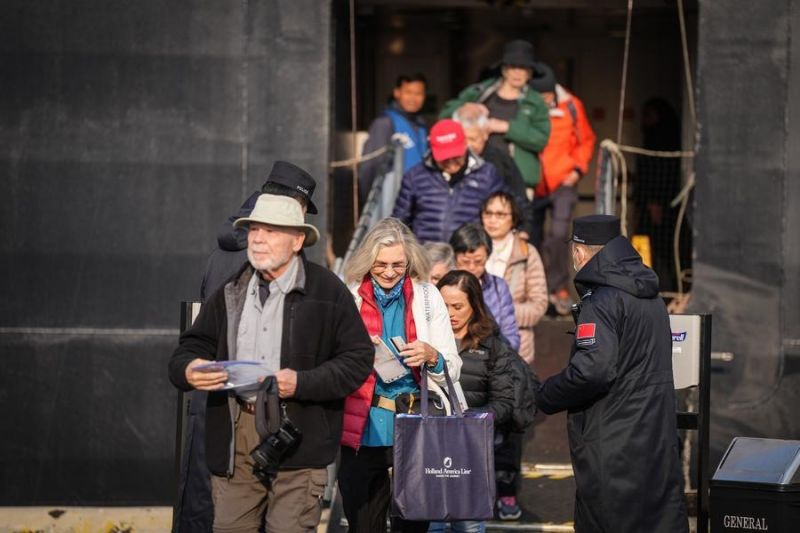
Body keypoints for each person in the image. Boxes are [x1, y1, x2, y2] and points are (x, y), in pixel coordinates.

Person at [168, 193, 374, 533]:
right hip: (237, 439)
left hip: (300, 438)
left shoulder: (328, 291)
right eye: (253, 230)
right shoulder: (231, 289)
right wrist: (189, 369)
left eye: (271, 230)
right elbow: (191, 346)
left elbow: (358, 359)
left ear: (297, 240)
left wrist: (302, 383)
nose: (258, 238)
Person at [535, 214, 688, 533]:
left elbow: (592, 371)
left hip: (613, 443)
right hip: (656, 439)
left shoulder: (601, 301)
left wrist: (545, 395)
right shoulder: (652, 298)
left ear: (578, 251)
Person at [338, 217, 462, 533]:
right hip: (363, 423)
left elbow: (452, 366)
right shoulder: (348, 296)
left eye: (398, 264)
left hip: (417, 423)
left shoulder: (428, 296)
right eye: (381, 264)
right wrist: (355, 353)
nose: (390, 272)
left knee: (413, 525)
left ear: (409, 262)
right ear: (367, 262)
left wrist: (431, 356)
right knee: (362, 524)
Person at [429, 270, 516, 533]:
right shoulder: (426, 340)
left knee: (468, 524)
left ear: (475, 306)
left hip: (470, 450)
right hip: (430, 446)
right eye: (444, 305)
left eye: (458, 307)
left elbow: (504, 402)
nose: (450, 313)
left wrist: (469, 422)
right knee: (431, 523)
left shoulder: (492, 346)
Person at [439, 40, 550, 195]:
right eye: (513, 67)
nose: (517, 73)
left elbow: (541, 139)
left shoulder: (536, 102)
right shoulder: (480, 92)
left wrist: (507, 127)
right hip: (475, 174)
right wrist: (465, 109)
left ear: (530, 73)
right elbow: (444, 117)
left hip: (517, 179)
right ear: (504, 70)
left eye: (523, 68)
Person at [529, 62, 597, 315]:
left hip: (563, 181)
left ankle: (559, 288)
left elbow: (586, 140)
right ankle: (536, 289)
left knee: (558, 234)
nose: (544, 101)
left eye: (546, 96)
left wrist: (577, 170)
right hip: (534, 184)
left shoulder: (571, 106)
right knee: (531, 237)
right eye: (539, 97)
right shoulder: (526, 106)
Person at [200, 161, 319, 302]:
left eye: (270, 231)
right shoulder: (273, 259)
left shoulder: (218, 255)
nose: (302, 219)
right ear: (290, 206)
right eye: (302, 211)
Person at [391, 119, 505, 243]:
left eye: (456, 156)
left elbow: (507, 211)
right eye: (444, 157)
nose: (451, 163)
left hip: (469, 252)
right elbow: (399, 221)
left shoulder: (487, 174)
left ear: (465, 145)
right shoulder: (415, 176)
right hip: (425, 251)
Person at [480, 191, 547, 364]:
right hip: (476, 347)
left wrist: (501, 312)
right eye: (488, 213)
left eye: (500, 214)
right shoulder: (471, 251)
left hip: (517, 349)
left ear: (514, 218)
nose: (492, 220)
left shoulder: (527, 253)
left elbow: (538, 305)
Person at [454, 105, 535, 239]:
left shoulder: (500, 161)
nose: (468, 146)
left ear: (485, 134)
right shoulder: (449, 162)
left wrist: (524, 230)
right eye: (463, 140)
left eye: (473, 139)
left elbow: (519, 198)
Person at [449, 223, 520, 352]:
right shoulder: (444, 286)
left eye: (478, 261)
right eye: (465, 261)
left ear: (487, 257)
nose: (471, 267)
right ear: (454, 256)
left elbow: (512, 339)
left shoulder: (498, 287)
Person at [359, 74, 429, 204]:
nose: (413, 98)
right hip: (393, 200)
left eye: (418, 94)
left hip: (418, 200)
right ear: (397, 93)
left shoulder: (422, 127)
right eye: (408, 92)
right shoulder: (385, 123)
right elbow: (369, 167)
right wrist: (371, 204)